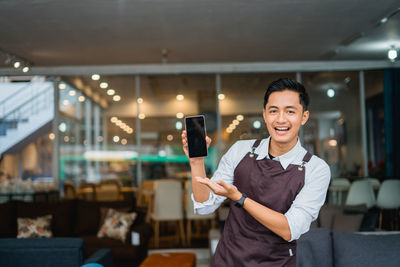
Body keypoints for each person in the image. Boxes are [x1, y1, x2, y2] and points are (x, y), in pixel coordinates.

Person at [181, 78, 331, 267]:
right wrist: (196, 163)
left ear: (304, 116)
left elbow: (289, 229)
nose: (281, 119)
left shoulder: (316, 169)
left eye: (290, 111)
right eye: (273, 111)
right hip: (228, 260)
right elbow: (204, 205)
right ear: (265, 115)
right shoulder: (240, 150)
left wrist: (240, 198)